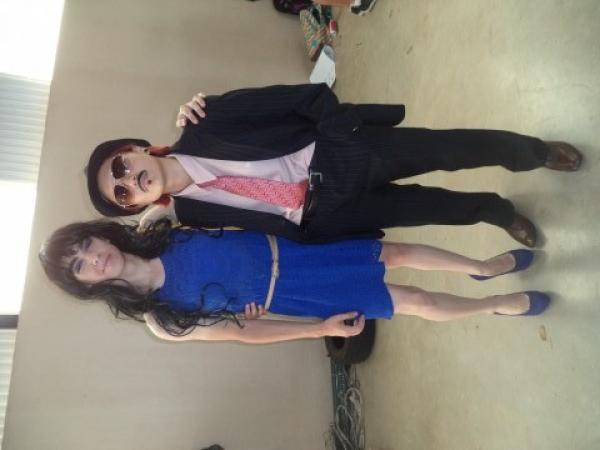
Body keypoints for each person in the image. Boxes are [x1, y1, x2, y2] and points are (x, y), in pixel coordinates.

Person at [86, 84, 582, 248]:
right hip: (329, 214)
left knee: (449, 150)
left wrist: (344, 134)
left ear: (136, 148)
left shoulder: (206, 119)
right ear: (136, 206)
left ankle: (532, 152)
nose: (129, 181)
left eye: (120, 166)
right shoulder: (194, 217)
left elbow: (304, 98)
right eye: (122, 193)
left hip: (339, 151)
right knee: (432, 209)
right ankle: (497, 212)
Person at [39, 219, 549, 344]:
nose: (95, 258)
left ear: (96, 233)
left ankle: (482, 267)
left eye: (85, 245)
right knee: (413, 300)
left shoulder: (158, 224)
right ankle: (494, 305)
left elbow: (201, 176)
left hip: (294, 245)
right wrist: (318, 329)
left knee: (393, 252)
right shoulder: (161, 318)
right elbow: (242, 334)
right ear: (86, 286)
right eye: (80, 266)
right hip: (296, 293)